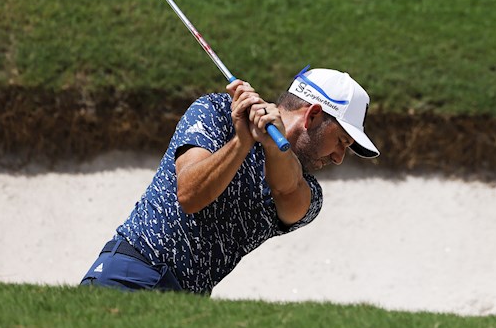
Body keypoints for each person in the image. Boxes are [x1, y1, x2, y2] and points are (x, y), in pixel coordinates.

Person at [80, 66, 379, 294]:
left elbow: (286, 190)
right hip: (131, 271)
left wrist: (272, 145)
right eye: (341, 140)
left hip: (184, 304)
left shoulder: (309, 192)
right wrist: (242, 142)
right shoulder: (217, 112)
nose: (339, 157)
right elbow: (190, 194)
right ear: (312, 116)